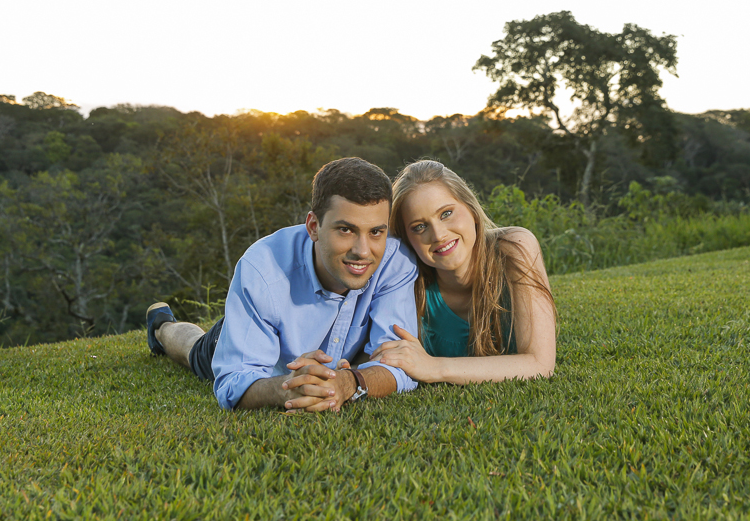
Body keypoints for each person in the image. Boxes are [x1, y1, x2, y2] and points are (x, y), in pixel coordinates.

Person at [146, 157, 419, 412]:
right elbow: (233, 383)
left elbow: (400, 364)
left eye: (375, 232)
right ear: (313, 226)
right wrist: (287, 388)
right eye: (345, 229)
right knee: (195, 350)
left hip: (327, 359)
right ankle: (161, 326)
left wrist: (348, 382)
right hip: (254, 343)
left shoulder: (395, 261)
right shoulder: (262, 270)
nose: (362, 250)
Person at [369, 159, 556, 383]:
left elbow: (540, 364)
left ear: (471, 208)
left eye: (446, 213)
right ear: (407, 239)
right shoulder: (407, 281)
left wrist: (434, 367)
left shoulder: (514, 248)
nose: (438, 235)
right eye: (420, 227)